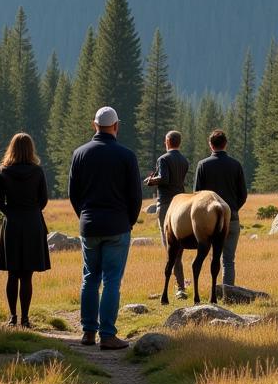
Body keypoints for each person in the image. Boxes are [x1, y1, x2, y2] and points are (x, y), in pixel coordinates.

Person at [68, 105, 141, 349]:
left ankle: (88, 332)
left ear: (94, 125)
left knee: (90, 277)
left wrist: (84, 216)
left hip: (89, 225)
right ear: (116, 126)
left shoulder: (79, 154)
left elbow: (73, 194)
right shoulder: (126, 156)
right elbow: (135, 197)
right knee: (111, 280)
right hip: (117, 225)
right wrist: (128, 221)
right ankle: (107, 335)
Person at [0, 132, 51, 327]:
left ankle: (12, 317)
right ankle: (26, 318)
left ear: (11, 149)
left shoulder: (3, 171)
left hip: (12, 224)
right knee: (27, 275)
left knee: (12, 274)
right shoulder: (37, 172)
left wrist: (11, 212)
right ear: (30, 149)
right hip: (32, 223)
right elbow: (43, 199)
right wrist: (32, 211)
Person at [193, 129, 248, 286]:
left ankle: (213, 293)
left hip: (208, 221)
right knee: (228, 260)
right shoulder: (236, 165)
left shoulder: (203, 165)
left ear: (210, 145)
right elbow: (243, 194)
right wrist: (232, 210)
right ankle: (228, 292)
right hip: (232, 218)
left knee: (213, 256)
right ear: (226, 144)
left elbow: (197, 195)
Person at [145, 130, 189, 300]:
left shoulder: (163, 159)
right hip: (182, 203)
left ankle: (179, 287)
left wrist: (151, 181)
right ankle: (180, 284)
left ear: (168, 141)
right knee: (180, 246)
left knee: (170, 246)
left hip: (166, 205)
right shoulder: (184, 160)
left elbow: (164, 178)